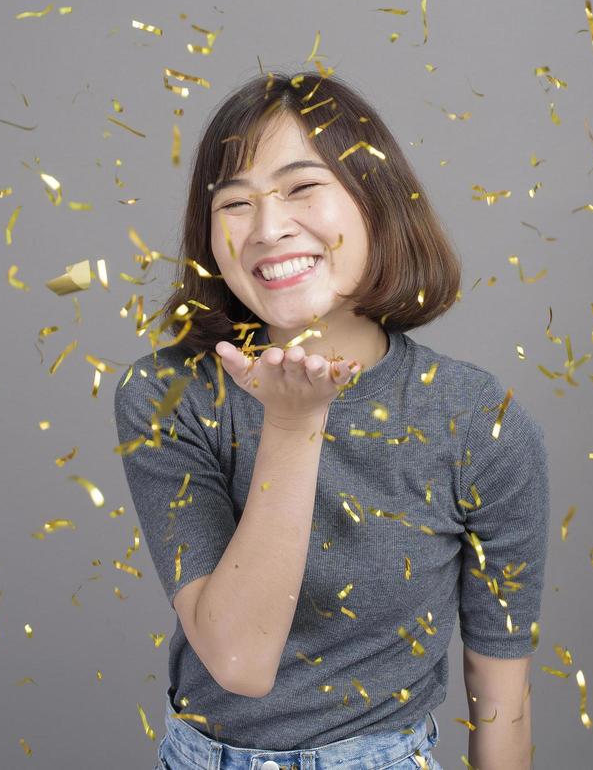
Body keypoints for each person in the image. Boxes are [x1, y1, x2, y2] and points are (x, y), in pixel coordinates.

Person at [115, 71, 549, 769]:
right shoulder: (168, 394)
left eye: (301, 187)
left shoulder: (476, 421)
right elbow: (238, 659)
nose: (268, 227)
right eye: (234, 202)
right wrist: (292, 425)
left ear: (376, 202)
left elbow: (503, 701)